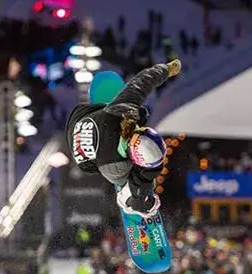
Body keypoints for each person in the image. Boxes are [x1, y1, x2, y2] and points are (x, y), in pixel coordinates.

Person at [65, 59, 182, 218]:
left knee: (140, 113)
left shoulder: (123, 109)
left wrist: (166, 69)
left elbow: (142, 81)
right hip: (85, 158)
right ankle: (125, 199)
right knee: (141, 177)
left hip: (80, 118)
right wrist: (141, 202)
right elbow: (141, 183)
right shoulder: (116, 166)